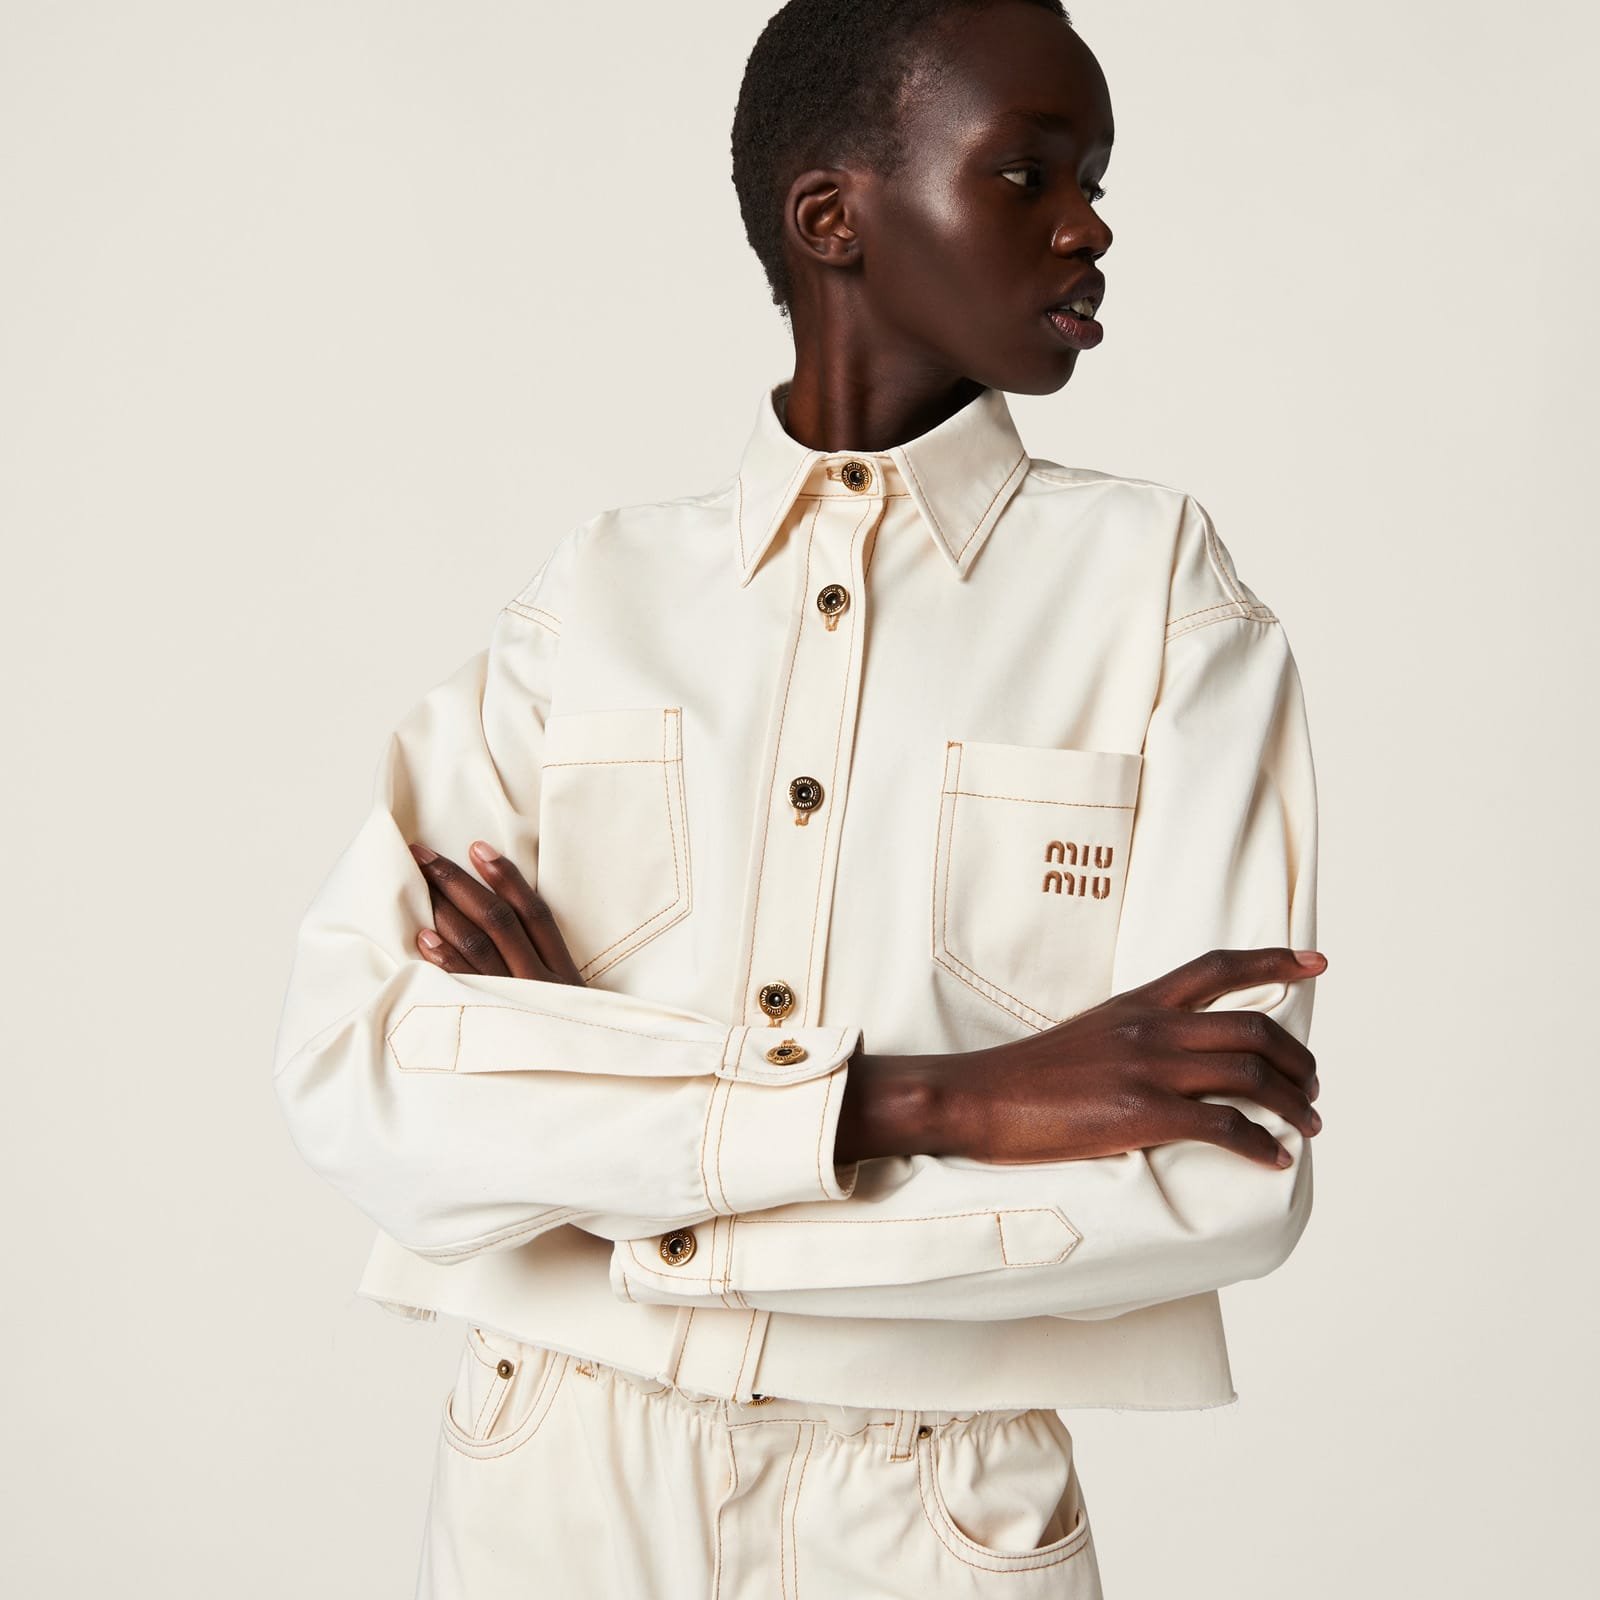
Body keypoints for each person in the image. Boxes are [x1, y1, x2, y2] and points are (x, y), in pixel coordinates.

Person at [271, 1, 1327, 1594]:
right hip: (546, 1475)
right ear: (832, 216)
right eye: (1028, 172)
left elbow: (1212, 1178)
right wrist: (933, 1100)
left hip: (931, 1501)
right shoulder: (596, 596)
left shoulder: (1164, 600)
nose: (1091, 225)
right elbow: (362, 1077)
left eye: (1098, 180)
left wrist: (606, 1147)